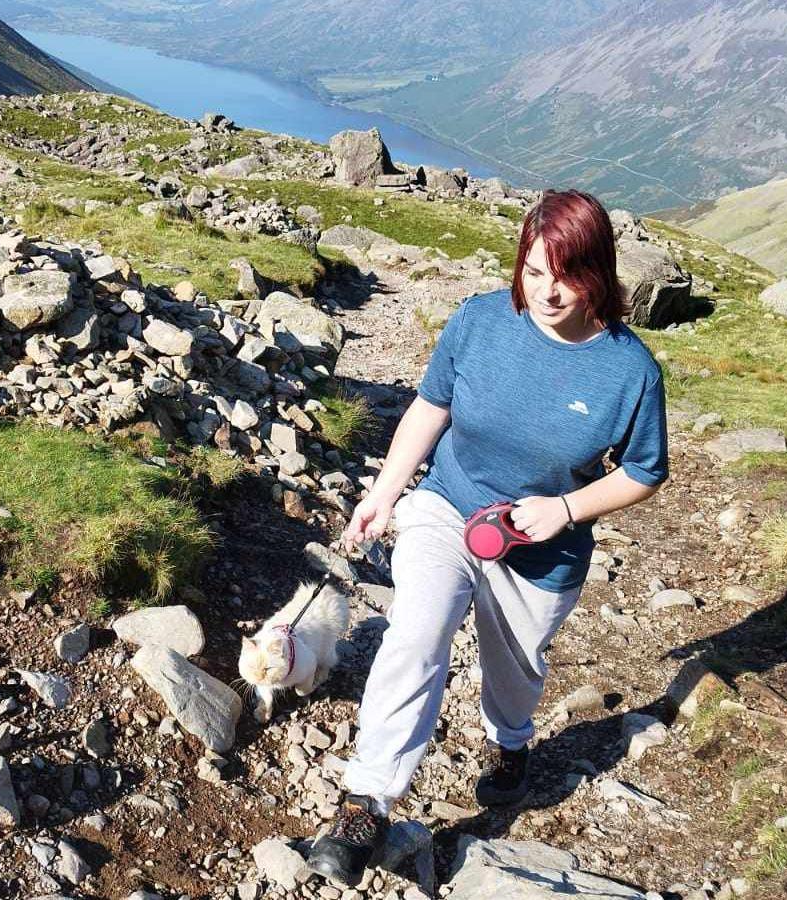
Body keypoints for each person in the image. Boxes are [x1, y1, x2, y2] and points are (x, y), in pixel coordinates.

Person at [304, 189, 671, 886]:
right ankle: (367, 803)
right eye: (533, 271)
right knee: (414, 632)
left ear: (600, 273)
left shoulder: (630, 370)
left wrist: (566, 510)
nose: (547, 291)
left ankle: (511, 743)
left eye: (566, 275)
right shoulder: (478, 321)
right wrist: (384, 495)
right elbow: (429, 407)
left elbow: (645, 472)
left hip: (542, 550)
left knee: (517, 670)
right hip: (448, 506)